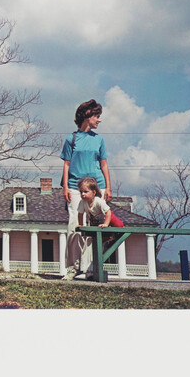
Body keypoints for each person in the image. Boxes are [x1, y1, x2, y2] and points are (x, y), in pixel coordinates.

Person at [61, 99, 111, 278]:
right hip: (75, 187)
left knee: (94, 229)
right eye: (97, 116)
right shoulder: (71, 139)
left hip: (98, 188)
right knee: (74, 226)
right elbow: (66, 165)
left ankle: (89, 269)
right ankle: (72, 268)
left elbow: (104, 165)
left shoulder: (99, 139)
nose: (99, 120)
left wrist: (108, 187)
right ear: (87, 115)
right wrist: (66, 187)